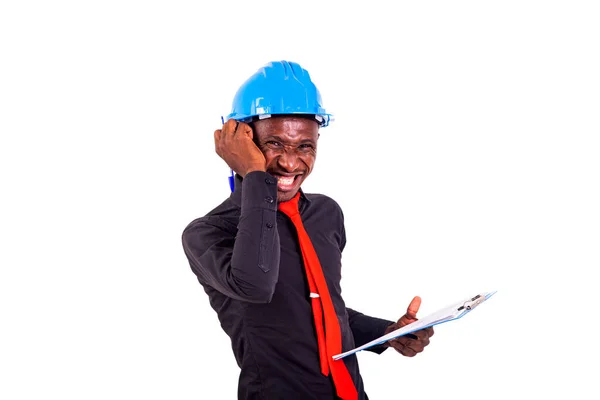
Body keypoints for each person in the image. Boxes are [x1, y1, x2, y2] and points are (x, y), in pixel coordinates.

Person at [181, 60, 434, 400]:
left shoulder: (326, 214)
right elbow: (255, 283)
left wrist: (387, 333)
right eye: (273, 144)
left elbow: (321, 311)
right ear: (241, 141)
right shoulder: (207, 234)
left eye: (304, 147)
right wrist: (256, 177)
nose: (290, 163)